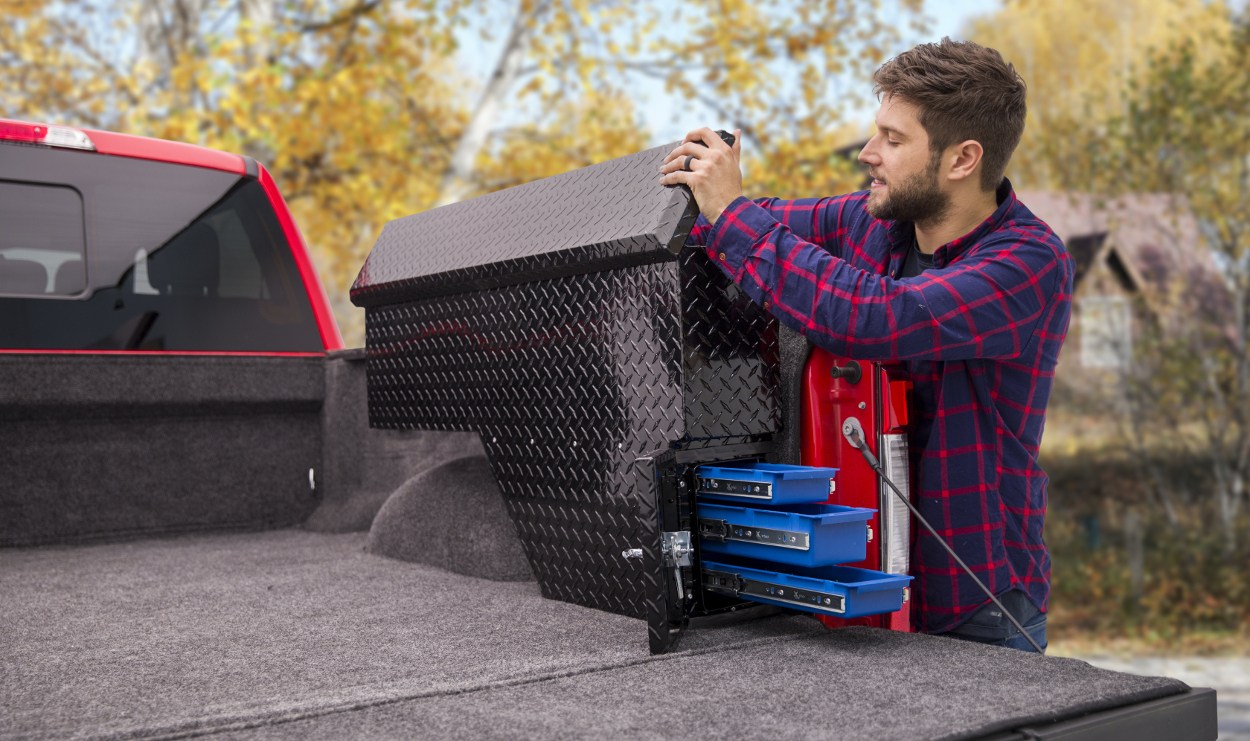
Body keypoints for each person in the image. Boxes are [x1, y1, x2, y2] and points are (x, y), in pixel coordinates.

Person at [660, 38, 1072, 652]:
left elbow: (872, 317)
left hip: (975, 600)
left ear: (962, 159)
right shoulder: (872, 220)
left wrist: (733, 215)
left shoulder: (1028, 264)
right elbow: (754, 222)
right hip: (865, 581)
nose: (868, 153)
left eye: (894, 139)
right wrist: (708, 192)